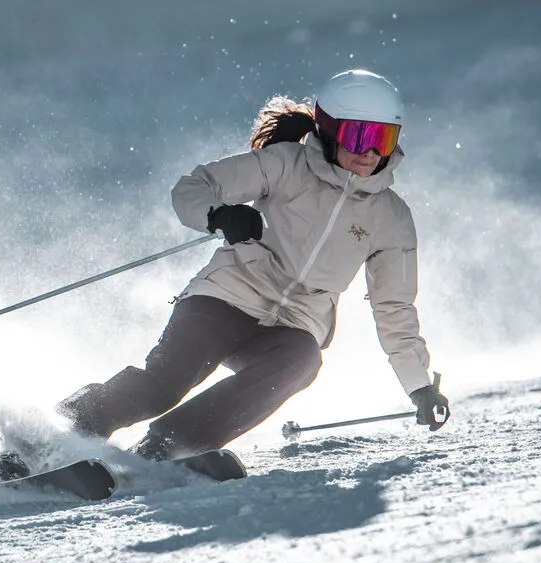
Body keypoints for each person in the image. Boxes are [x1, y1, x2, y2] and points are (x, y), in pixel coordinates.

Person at [57, 69, 449, 461]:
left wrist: (420, 387)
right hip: (225, 298)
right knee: (164, 386)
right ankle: (64, 429)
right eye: (359, 136)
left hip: (294, 325)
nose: (370, 152)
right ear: (330, 131)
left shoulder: (391, 217)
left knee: (303, 360)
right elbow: (194, 186)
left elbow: (394, 306)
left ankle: (170, 448)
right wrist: (218, 215)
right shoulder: (286, 164)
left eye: (383, 138)